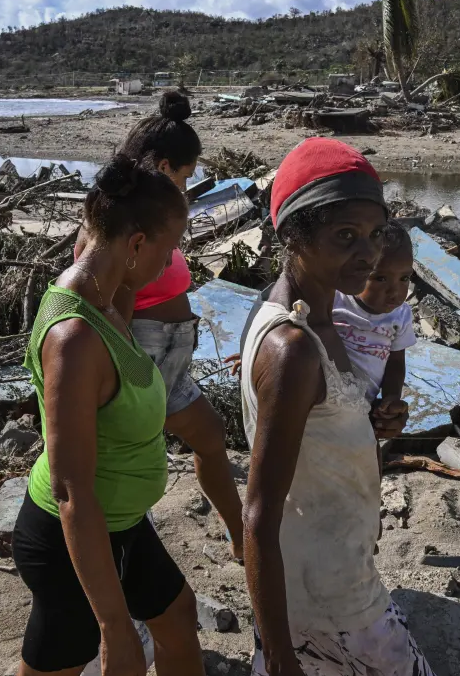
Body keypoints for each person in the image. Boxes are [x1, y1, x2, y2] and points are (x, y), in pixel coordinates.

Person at [240, 137, 433, 676]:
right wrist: (278, 653)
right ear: (293, 236)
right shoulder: (294, 348)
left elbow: (322, 436)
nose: (368, 254)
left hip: (338, 559)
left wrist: (378, 422)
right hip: (325, 591)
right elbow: (258, 512)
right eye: (344, 236)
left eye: (373, 235)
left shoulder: (323, 318)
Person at [12, 157, 205, 676]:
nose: (171, 265)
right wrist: (115, 627)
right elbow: (71, 490)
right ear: (137, 244)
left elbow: (98, 239)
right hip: (72, 539)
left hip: (122, 523)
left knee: (178, 618)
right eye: (167, 250)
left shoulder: (107, 292)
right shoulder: (74, 340)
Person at [115, 90, 245, 560]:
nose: (187, 187)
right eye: (186, 176)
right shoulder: (115, 221)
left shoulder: (153, 216)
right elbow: (109, 298)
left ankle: (241, 540)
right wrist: (123, 372)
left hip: (171, 362)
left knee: (209, 436)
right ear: (164, 165)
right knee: (133, 463)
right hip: (142, 360)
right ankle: (128, 555)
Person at [331, 220, 416, 405]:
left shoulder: (400, 316)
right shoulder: (336, 300)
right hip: (326, 399)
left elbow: (395, 363)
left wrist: (391, 398)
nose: (394, 291)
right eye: (381, 278)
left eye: (404, 278)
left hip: (363, 406)